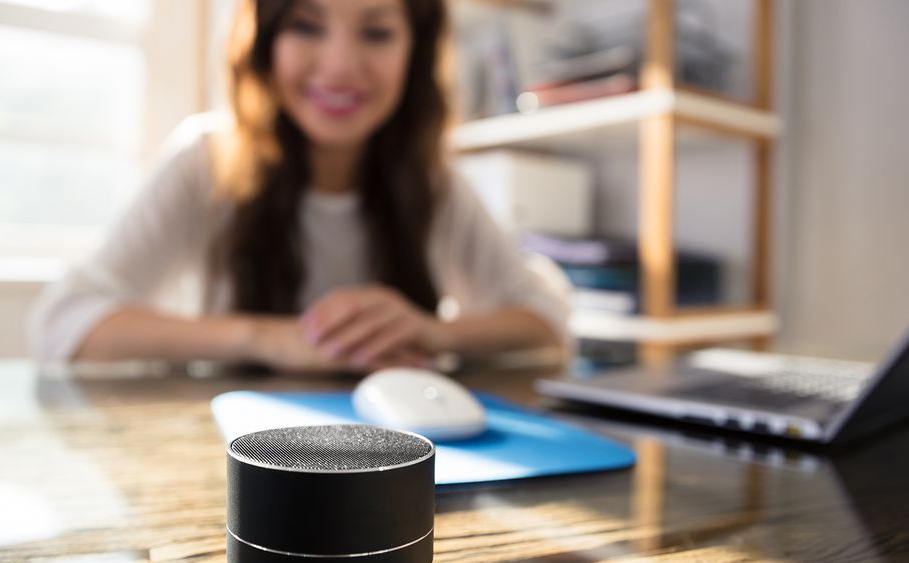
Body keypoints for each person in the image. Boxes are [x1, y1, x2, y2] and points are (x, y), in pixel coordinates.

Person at [28, 0, 570, 374]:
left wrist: (434, 333)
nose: (338, 67)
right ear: (264, 40)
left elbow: (547, 323)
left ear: (415, 51)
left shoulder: (433, 184)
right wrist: (269, 338)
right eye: (306, 26)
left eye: (377, 32)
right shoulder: (206, 161)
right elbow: (64, 324)